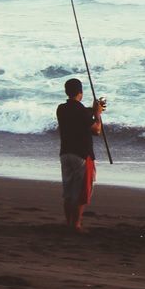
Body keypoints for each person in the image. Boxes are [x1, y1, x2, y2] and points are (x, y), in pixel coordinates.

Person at [56, 77, 105, 232]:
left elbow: (78, 115)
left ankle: (68, 222)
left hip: (65, 153)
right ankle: (76, 225)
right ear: (80, 93)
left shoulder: (61, 109)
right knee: (82, 191)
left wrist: (92, 110)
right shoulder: (82, 112)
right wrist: (97, 114)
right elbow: (97, 130)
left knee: (69, 191)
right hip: (82, 155)